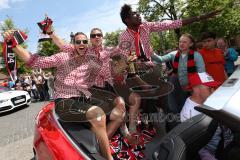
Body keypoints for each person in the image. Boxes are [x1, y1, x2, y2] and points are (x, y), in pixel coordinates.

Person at [3, 30, 119, 160]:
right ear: (73, 44)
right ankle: (108, 157)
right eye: (78, 42)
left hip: (83, 98)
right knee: (98, 115)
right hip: (64, 100)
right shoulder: (63, 57)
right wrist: (14, 45)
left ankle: (97, 143)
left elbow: (108, 62)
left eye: (84, 41)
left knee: (118, 110)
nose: (81, 44)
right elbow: (34, 61)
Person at [119, 4, 220, 62]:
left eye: (138, 12)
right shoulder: (124, 36)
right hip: (135, 73)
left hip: (151, 66)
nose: (138, 14)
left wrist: (200, 17)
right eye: (134, 14)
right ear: (127, 20)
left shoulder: (146, 26)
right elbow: (125, 59)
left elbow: (171, 24)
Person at [180, 72, 233, 160]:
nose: (213, 91)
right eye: (210, 88)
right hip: (216, 152)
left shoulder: (206, 100)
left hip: (225, 141)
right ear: (196, 90)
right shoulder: (188, 116)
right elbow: (198, 149)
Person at [152, 33, 205, 112]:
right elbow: (161, 59)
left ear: (191, 44)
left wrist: (197, 88)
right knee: (176, 106)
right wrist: (150, 52)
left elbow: (202, 73)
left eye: (184, 42)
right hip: (178, 87)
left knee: (189, 109)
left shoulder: (196, 55)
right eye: (180, 42)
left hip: (192, 88)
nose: (181, 44)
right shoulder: (174, 54)